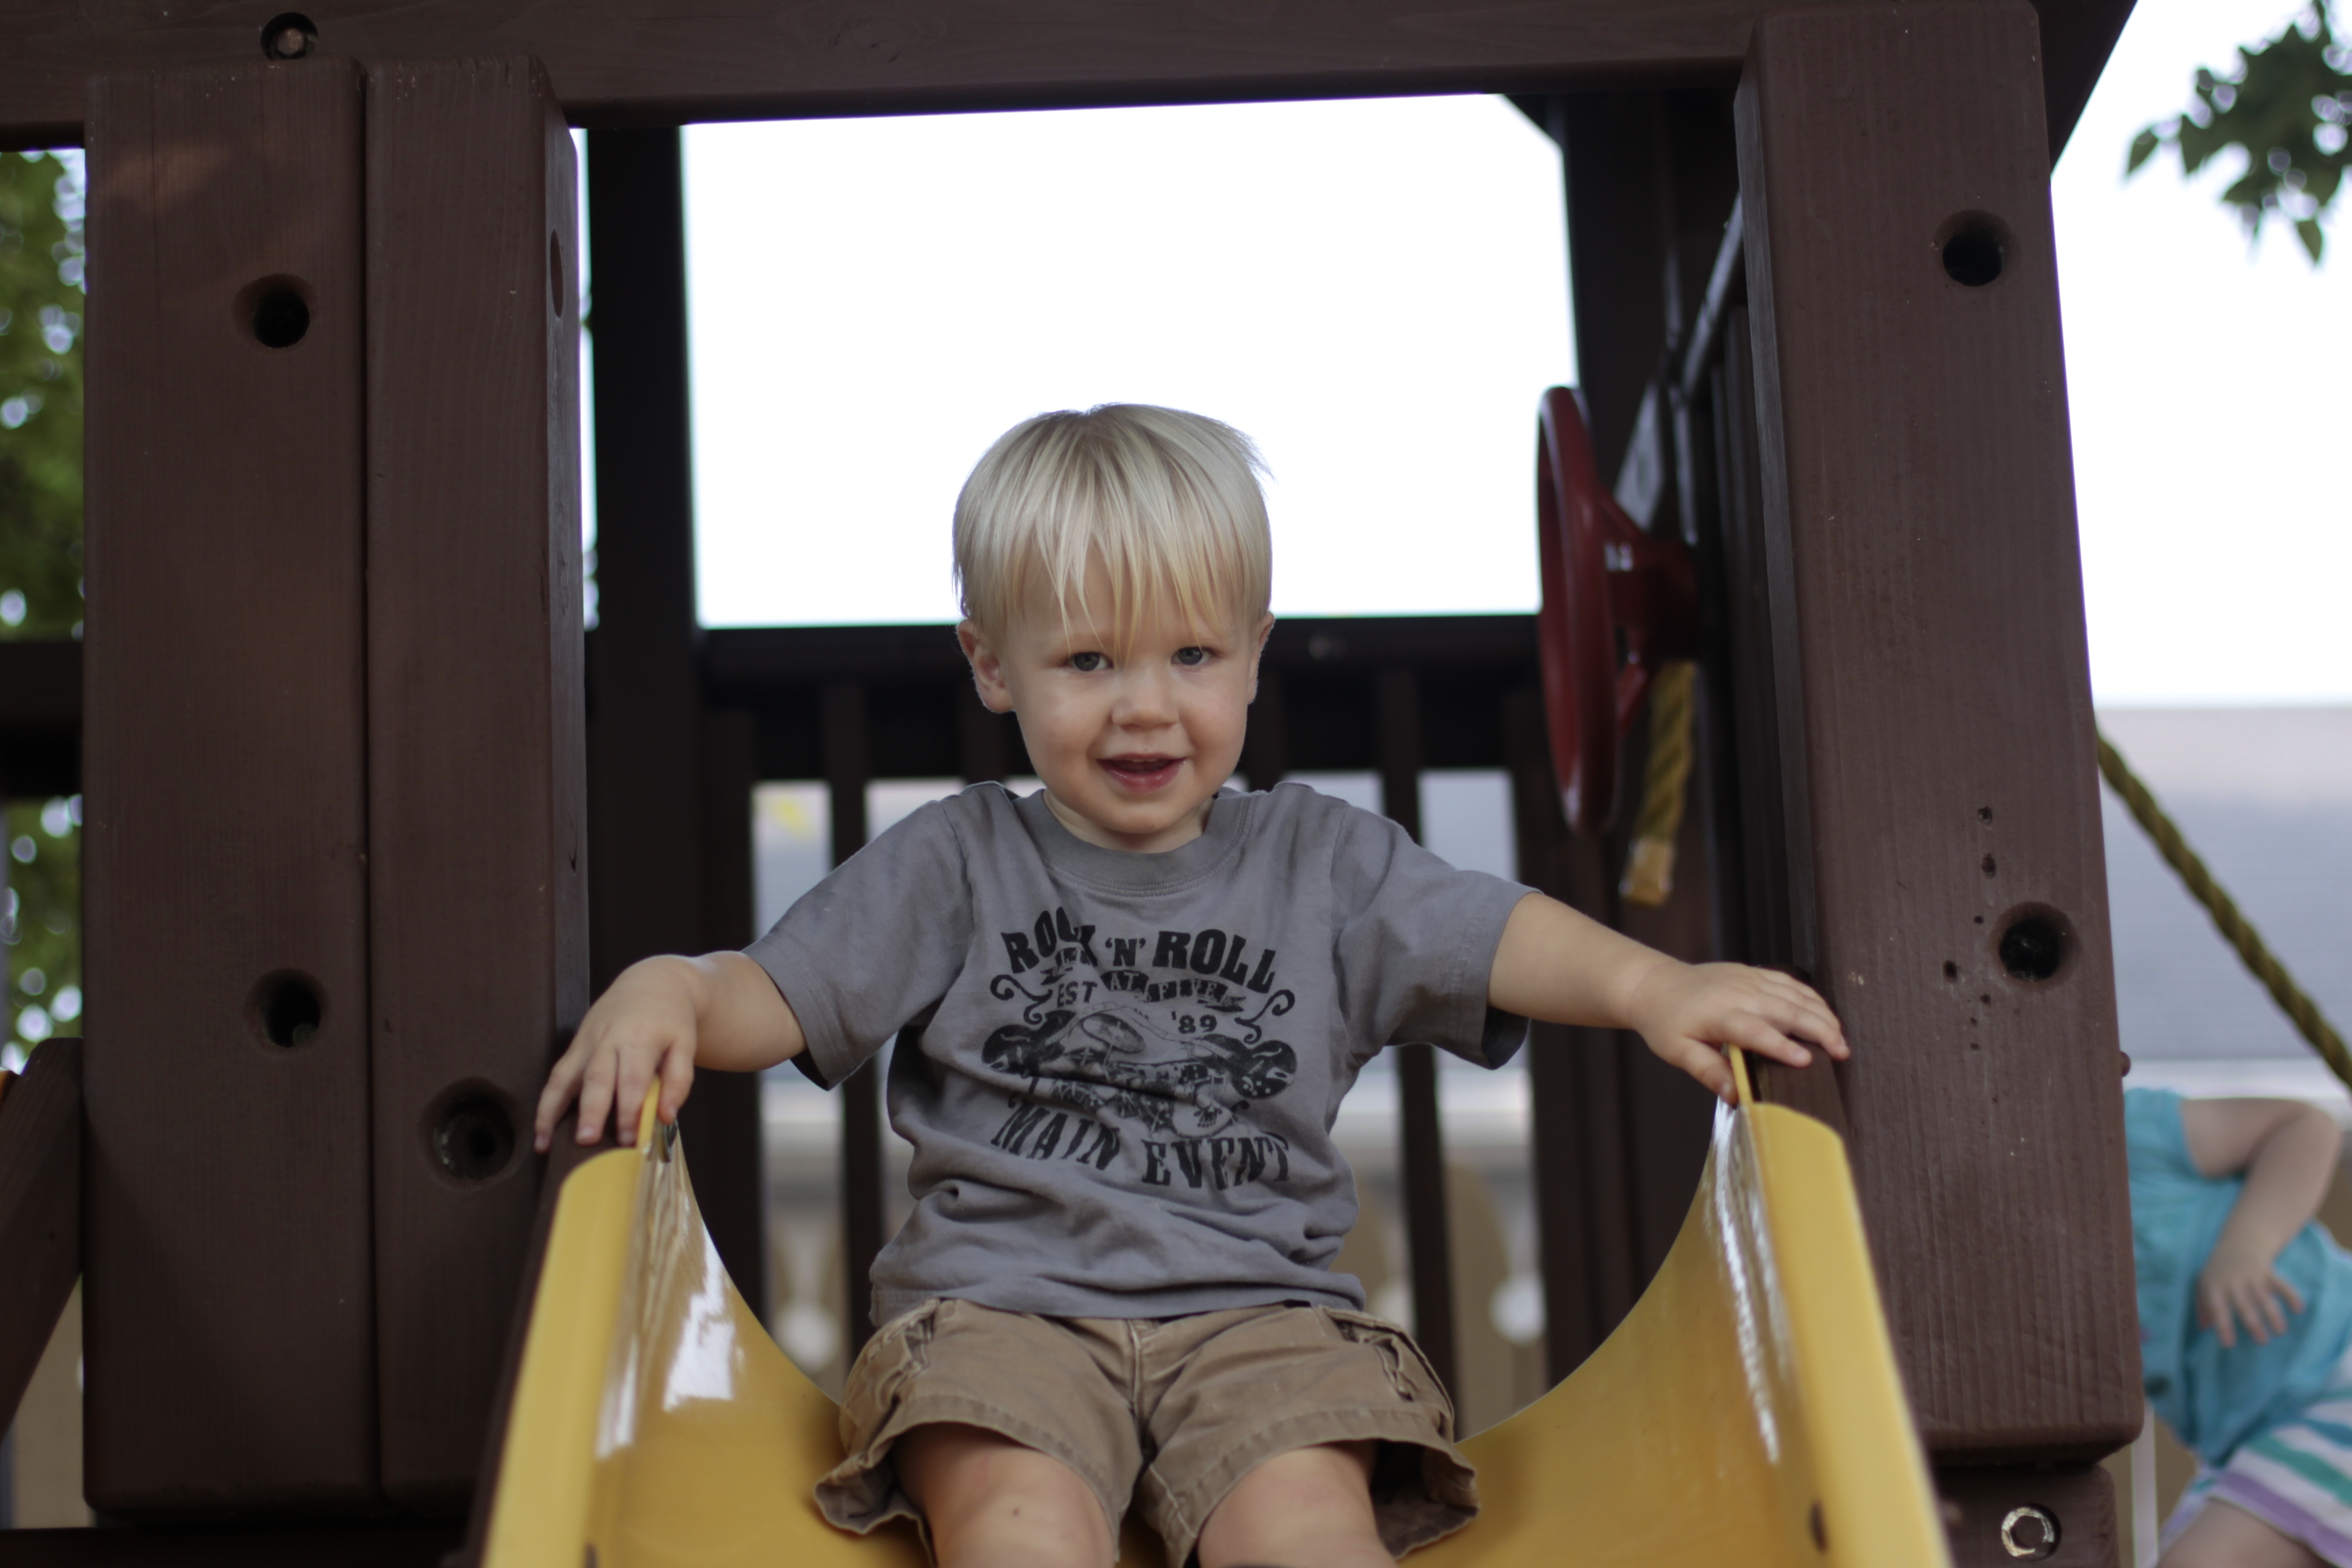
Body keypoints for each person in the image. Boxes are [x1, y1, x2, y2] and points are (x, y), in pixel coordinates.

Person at [533, 404, 1847, 1568]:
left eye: (1193, 658)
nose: (1145, 707)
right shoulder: (957, 863)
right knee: (1020, 1530)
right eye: (1088, 662)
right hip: (999, 1318)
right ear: (992, 664)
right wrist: (672, 989)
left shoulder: (1320, 863)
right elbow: (779, 993)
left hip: (1261, 1320)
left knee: (1310, 1532)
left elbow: (1497, 935)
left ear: (1255, 652)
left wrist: (1653, 988)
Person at [2127, 1085, 2352, 1568]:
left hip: (2338, 1369)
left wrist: (2246, 1245)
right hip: (2250, 1438)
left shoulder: (2120, 1133)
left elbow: (2305, 1127)